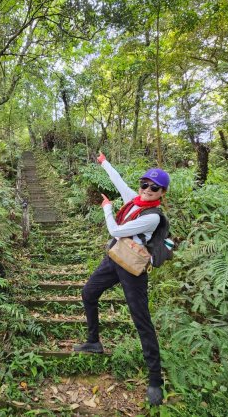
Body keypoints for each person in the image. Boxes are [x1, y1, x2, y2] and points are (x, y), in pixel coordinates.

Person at [73, 151, 170, 406]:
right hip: (114, 258)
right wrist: (104, 162)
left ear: (162, 193)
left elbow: (115, 230)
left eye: (155, 187)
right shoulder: (135, 201)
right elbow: (118, 181)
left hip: (132, 267)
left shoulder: (151, 217)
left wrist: (107, 208)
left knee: (141, 320)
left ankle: (155, 380)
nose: (148, 189)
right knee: (88, 293)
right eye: (145, 184)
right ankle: (94, 341)